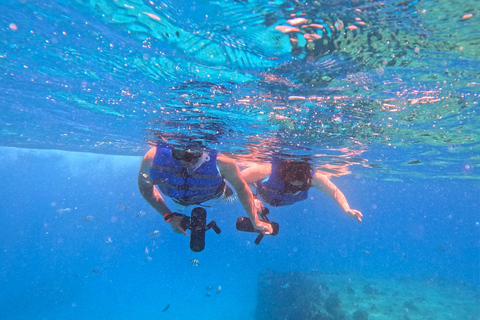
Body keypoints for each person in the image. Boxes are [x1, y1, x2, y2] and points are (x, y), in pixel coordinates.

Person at [138, 144, 273, 235]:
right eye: (180, 152)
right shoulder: (152, 158)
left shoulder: (222, 160)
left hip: (215, 194)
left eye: (194, 152)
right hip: (179, 200)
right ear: (171, 147)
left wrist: (255, 221)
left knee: (227, 190)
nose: (187, 160)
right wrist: (168, 216)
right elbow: (146, 188)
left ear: (203, 149)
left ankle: (235, 181)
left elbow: (241, 187)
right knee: (180, 208)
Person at [241, 159, 363, 223]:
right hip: (263, 194)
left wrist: (346, 209)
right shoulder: (267, 170)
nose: (295, 190)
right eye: (292, 186)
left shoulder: (315, 178)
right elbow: (238, 180)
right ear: (284, 176)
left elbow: (334, 192)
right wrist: (253, 198)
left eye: (301, 187)